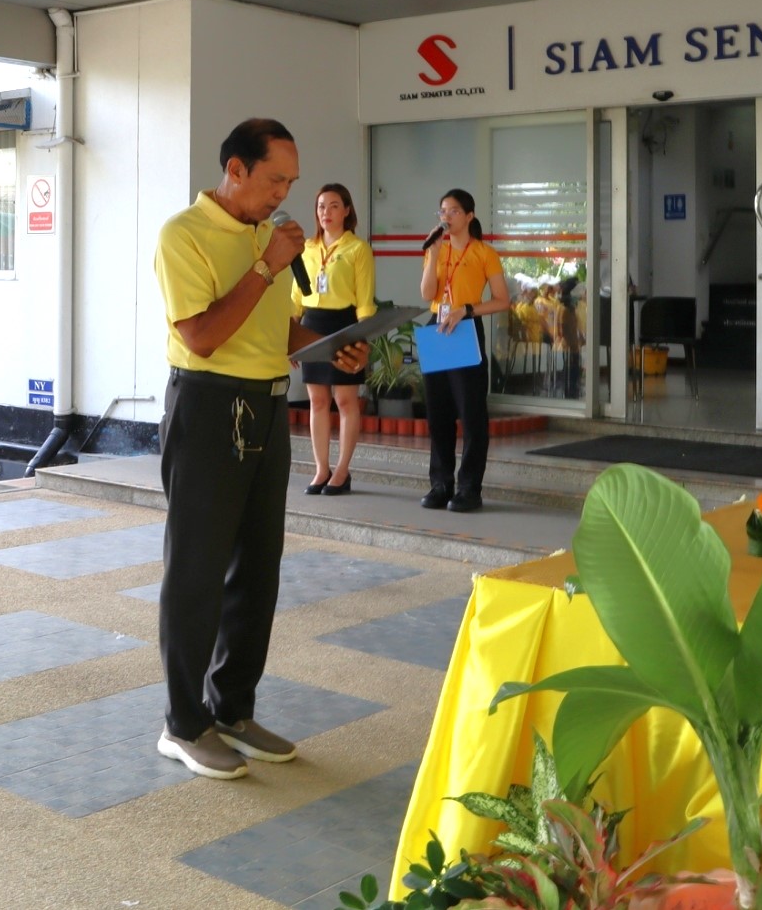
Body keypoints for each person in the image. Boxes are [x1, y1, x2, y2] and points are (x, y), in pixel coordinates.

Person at [151, 118, 369, 781]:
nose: (286, 193)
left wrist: (328, 345)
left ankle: (233, 708)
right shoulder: (182, 235)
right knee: (197, 569)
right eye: (276, 178)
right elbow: (203, 333)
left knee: (258, 567)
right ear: (236, 169)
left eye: (293, 182)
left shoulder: (269, 240)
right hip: (208, 402)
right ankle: (184, 723)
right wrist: (265, 263)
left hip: (270, 405)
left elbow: (276, 326)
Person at [418, 188, 509, 514]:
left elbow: (502, 299)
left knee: (471, 412)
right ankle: (441, 483)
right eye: (442, 211)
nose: (446, 217)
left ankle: (469, 487)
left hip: (465, 327)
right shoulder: (436, 251)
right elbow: (427, 292)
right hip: (436, 327)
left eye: (453, 211)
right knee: (437, 411)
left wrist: (466, 310)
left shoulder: (484, 253)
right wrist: (432, 255)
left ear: (469, 215)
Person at [291, 184, 374, 496]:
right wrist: (292, 336)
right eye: (321, 206)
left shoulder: (357, 249)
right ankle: (321, 468)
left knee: (344, 400)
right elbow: (295, 298)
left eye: (334, 206)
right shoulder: (307, 248)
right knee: (318, 400)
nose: (326, 212)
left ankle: (342, 470)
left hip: (344, 325)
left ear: (347, 210)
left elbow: (365, 301)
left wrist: (364, 339)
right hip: (312, 323)